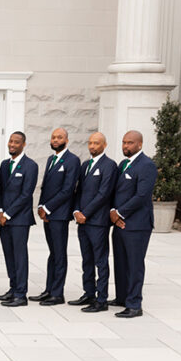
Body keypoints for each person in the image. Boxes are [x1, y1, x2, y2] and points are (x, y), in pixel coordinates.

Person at [110, 130, 158, 318]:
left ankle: (134, 304)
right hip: (119, 222)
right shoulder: (123, 164)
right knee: (120, 262)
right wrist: (113, 212)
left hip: (137, 225)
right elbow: (116, 192)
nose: (125, 146)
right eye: (124, 142)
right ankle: (122, 298)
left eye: (130, 143)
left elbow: (141, 195)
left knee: (134, 264)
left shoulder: (147, 165)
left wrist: (119, 213)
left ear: (139, 144)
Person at [31, 127, 81, 306]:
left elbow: (68, 189)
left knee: (59, 254)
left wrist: (48, 208)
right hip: (48, 215)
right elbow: (46, 186)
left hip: (59, 215)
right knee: (52, 253)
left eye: (59, 137)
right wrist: (40, 206)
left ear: (66, 140)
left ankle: (58, 294)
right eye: (53, 137)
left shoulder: (72, 160)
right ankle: (49, 290)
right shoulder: (51, 159)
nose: (55, 140)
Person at [70, 132, 117, 312]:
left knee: (100, 261)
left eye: (96, 143)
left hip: (97, 222)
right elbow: (79, 191)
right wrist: (76, 211)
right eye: (90, 143)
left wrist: (86, 213)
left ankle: (101, 299)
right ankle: (88, 293)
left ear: (104, 145)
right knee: (86, 259)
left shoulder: (109, 165)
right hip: (82, 221)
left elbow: (104, 194)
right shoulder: (85, 165)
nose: (92, 146)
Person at [0, 131, 38, 307]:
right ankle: (12, 289)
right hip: (4, 218)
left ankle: (21, 294)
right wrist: (0, 210)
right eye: (11, 141)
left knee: (19, 257)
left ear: (23, 144)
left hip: (20, 219)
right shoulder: (5, 165)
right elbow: (0, 190)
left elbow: (26, 194)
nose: (12, 144)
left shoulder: (30, 166)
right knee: (9, 255)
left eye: (16, 142)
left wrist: (8, 214)